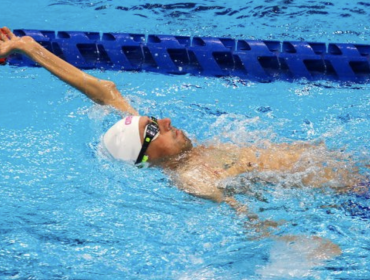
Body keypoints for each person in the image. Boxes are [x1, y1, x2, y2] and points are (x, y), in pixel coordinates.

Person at [1, 27, 365, 258]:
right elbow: (243, 215)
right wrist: (294, 247)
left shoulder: (168, 147)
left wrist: (30, 49)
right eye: (153, 130)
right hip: (349, 194)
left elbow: (104, 90)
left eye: (155, 120)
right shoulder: (192, 178)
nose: (166, 122)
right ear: (144, 158)